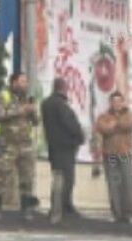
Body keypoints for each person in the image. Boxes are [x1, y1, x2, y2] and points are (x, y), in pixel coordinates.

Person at [0, 72, 39, 220]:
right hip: (8, 144)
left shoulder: (28, 98)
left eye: (26, 81)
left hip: (25, 144)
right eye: (22, 81)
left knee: (27, 178)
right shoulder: (4, 96)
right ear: (14, 82)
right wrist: (20, 110)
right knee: (1, 176)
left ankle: (26, 209)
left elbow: (36, 121)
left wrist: (33, 111)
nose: (25, 84)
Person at [42, 78, 85, 223]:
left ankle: (57, 208)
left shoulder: (46, 104)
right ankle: (62, 208)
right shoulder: (61, 105)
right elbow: (70, 124)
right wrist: (79, 136)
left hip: (53, 147)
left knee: (57, 176)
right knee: (66, 179)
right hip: (65, 147)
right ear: (64, 88)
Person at [95, 91, 132, 223]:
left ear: (122, 102)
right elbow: (101, 127)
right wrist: (115, 126)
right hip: (110, 154)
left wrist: (113, 125)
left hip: (125, 153)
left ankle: (128, 214)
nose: (116, 104)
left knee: (127, 183)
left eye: (118, 101)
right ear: (110, 103)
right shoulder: (104, 115)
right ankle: (116, 214)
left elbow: (128, 124)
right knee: (113, 184)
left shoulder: (129, 114)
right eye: (114, 101)